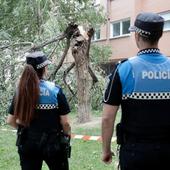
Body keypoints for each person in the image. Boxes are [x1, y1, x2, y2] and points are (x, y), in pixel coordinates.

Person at [101, 12, 170, 170]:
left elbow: (107, 118)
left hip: (135, 153)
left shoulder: (123, 69)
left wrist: (105, 150)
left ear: (137, 35)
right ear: (160, 35)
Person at [6, 51, 71, 170]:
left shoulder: (20, 91)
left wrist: (25, 130)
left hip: (28, 143)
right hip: (53, 144)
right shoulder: (55, 90)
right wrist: (66, 135)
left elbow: (10, 120)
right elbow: (65, 123)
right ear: (44, 69)